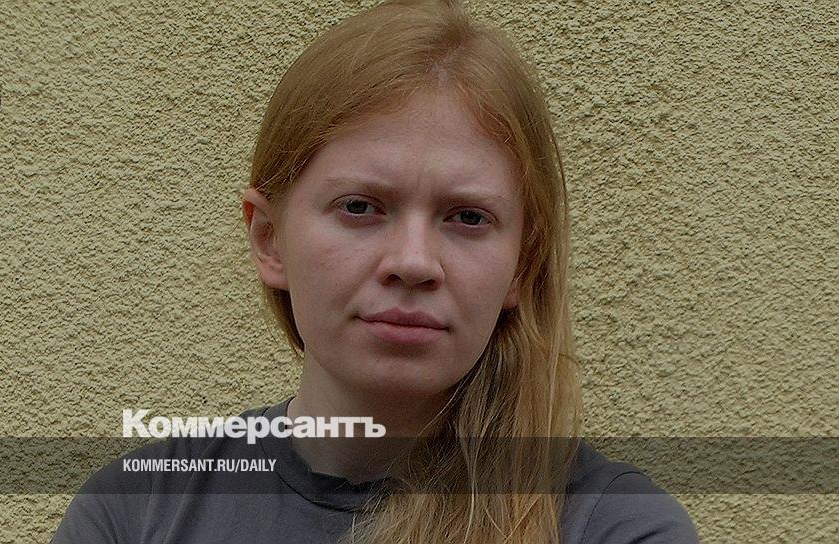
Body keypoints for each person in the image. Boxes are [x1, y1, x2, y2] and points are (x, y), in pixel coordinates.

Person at [51, 0, 700, 542]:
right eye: (360, 207)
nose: (413, 262)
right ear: (269, 239)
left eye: (467, 217)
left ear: (521, 266)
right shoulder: (137, 510)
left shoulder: (615, 528)